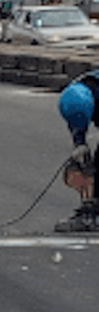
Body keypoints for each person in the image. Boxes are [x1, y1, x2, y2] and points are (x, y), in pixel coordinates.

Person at [57, 70, 99, 232]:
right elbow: (76, 120)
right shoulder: (75, 94)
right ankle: (93, 208)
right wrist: (79, 144)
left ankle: (93, 213)